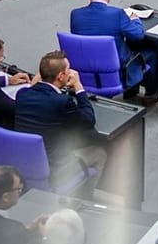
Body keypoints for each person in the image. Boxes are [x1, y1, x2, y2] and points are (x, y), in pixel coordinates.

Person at [11, 51, 102, 186]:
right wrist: (78, 87)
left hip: (23, 160)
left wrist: (34, 85)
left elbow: (35, 97)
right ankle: (83, 200)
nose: (71, 72)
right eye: (68, 69)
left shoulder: (22, 94)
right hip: (53, 165)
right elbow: (88, 121)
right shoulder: (62, 102)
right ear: (60, 76)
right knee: (99, 153)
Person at [69, 0, 158, 101]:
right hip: (117, 71)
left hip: (85, 73)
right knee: (150, 53)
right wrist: (134, 18)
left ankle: (132, 92)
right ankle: (151, 94)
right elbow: (138, 35)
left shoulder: (75, 15)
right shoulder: (118, 14)